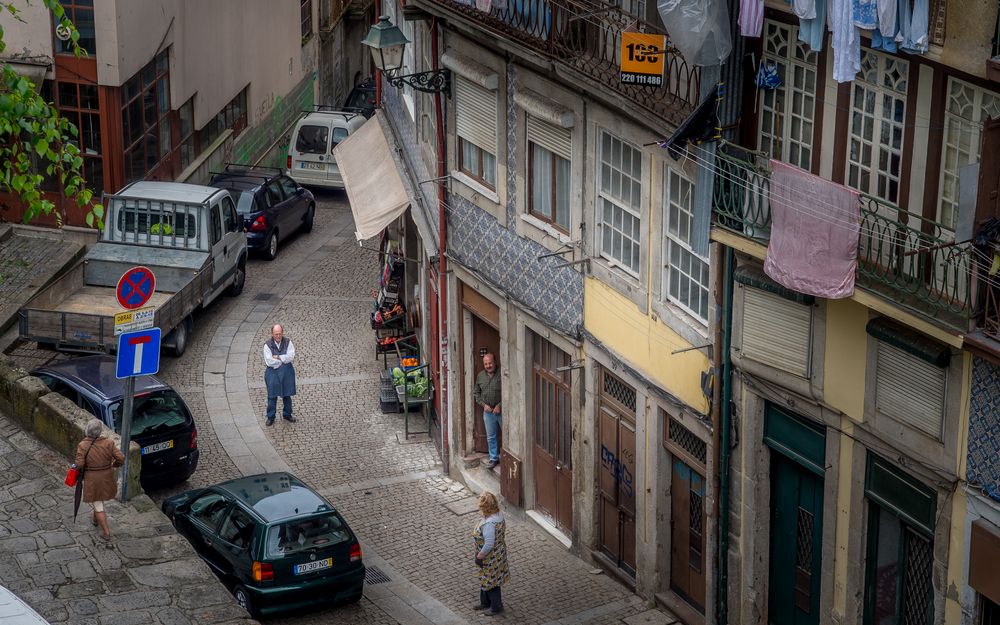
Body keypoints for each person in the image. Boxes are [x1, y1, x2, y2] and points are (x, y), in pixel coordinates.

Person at [76, 418, 125, 543]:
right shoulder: (109, 442)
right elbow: (121, 458)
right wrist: (114, 465)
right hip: (107, 476)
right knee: (98, 499)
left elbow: (80, 464)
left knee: (98, 504)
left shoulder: (83, 445)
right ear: (100, 431)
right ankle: (95, 519)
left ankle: (106, 532)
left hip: (92, 478)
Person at [472, 491, 509, 616]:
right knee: (485, 578)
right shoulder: (498, 516)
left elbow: (489, 543)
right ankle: (485, 602)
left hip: (490, 557)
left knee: (492, 581)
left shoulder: (489, 524)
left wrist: (480, 555)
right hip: (498, 553)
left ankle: (496, 607)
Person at [263, 324, 297, 426]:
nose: (278, 336)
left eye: (280, 334)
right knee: (272, 396)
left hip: (287, 373)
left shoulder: (288, 342)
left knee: (287, 394)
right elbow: (269, 361)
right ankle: (271, 416)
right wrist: (282, 360)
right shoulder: (267, 345)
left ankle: (287, 414)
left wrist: (278, 357)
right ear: (272, 334)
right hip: (272, 374)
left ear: (282, 333)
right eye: (276, 334)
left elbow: (291, 356)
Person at [473, 353, 502, 469]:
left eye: (490, 363)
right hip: (488, 412)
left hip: (502, 411)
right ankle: (493, 458)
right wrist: (483, 405)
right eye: (486, 364)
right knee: (491, 437)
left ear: (495, 362)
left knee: (507, 435)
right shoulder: (480, 376)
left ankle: (506, 458)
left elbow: (508, 391)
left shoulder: (501, 373)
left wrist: (500, 405)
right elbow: (476, 393)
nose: (488, 366)